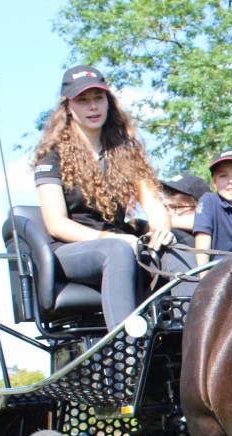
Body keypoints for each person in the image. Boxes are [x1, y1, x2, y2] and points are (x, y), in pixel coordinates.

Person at [32, 65, 174, 331]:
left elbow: (153, 202)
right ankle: (125, 348)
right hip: (71, 252)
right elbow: (56, 224)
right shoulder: (52, 158)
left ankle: (189, 342)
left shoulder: (124, 153)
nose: (92, 107)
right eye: (83, 100)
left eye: (98, 98)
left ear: (109, 102)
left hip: (121, 241)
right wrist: (110, 238)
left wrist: (161, 231)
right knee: (117, 250)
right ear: (69, 108)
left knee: (177, 248)